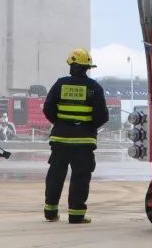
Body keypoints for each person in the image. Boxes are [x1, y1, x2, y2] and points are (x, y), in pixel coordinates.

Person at [42, 48, 108, 224]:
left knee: (55, 175)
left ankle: (50, 212)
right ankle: (76, 215)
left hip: (60, 139)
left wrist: (60, 123)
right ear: (87, 67)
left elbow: (48, 108)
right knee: (80, 177)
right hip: (84, 142)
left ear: (71, 65)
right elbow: (102, 116)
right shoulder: (94, 87)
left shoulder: (60, 84)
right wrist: (88, 127)